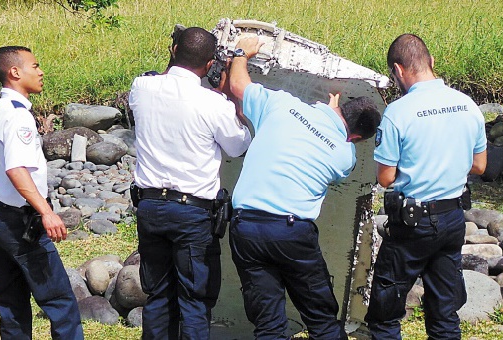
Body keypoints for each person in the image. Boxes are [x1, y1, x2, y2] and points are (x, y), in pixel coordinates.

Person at [227, 37, 382, 339]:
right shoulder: (344, 154)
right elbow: (337, 155)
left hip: (246, 228)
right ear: (357, 138)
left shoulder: (281, 104)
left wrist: (241, 53)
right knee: (322, 319)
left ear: (340, 106)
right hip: (292, 233)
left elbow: (237, 85)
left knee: (268, 323)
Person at [129, 27, 252, 339]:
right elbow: (239, 146)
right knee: (194, 300)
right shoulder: (214, 104)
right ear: (210, 66)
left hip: (150, 206)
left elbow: (164, 87)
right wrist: (231, 101)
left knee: (157, 295)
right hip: (192, 213)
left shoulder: (141, 87)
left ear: (172, 52)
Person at [364, 34, 487, 340]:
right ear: (432, 62)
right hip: (453, 218)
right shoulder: (467, 105)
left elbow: (385, 178)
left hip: (412, 225)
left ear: (398, 70)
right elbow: (480, 166)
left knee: (385, 314)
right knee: (444, 312)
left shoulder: (398, 112)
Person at [0, 46, 83, 339]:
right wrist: (46, 212)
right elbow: (16, 168)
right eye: (34, 66)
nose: (41, 72)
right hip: (22, 222)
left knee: (11, 304)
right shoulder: (18, 116)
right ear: (15, 72)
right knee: (60, 301)